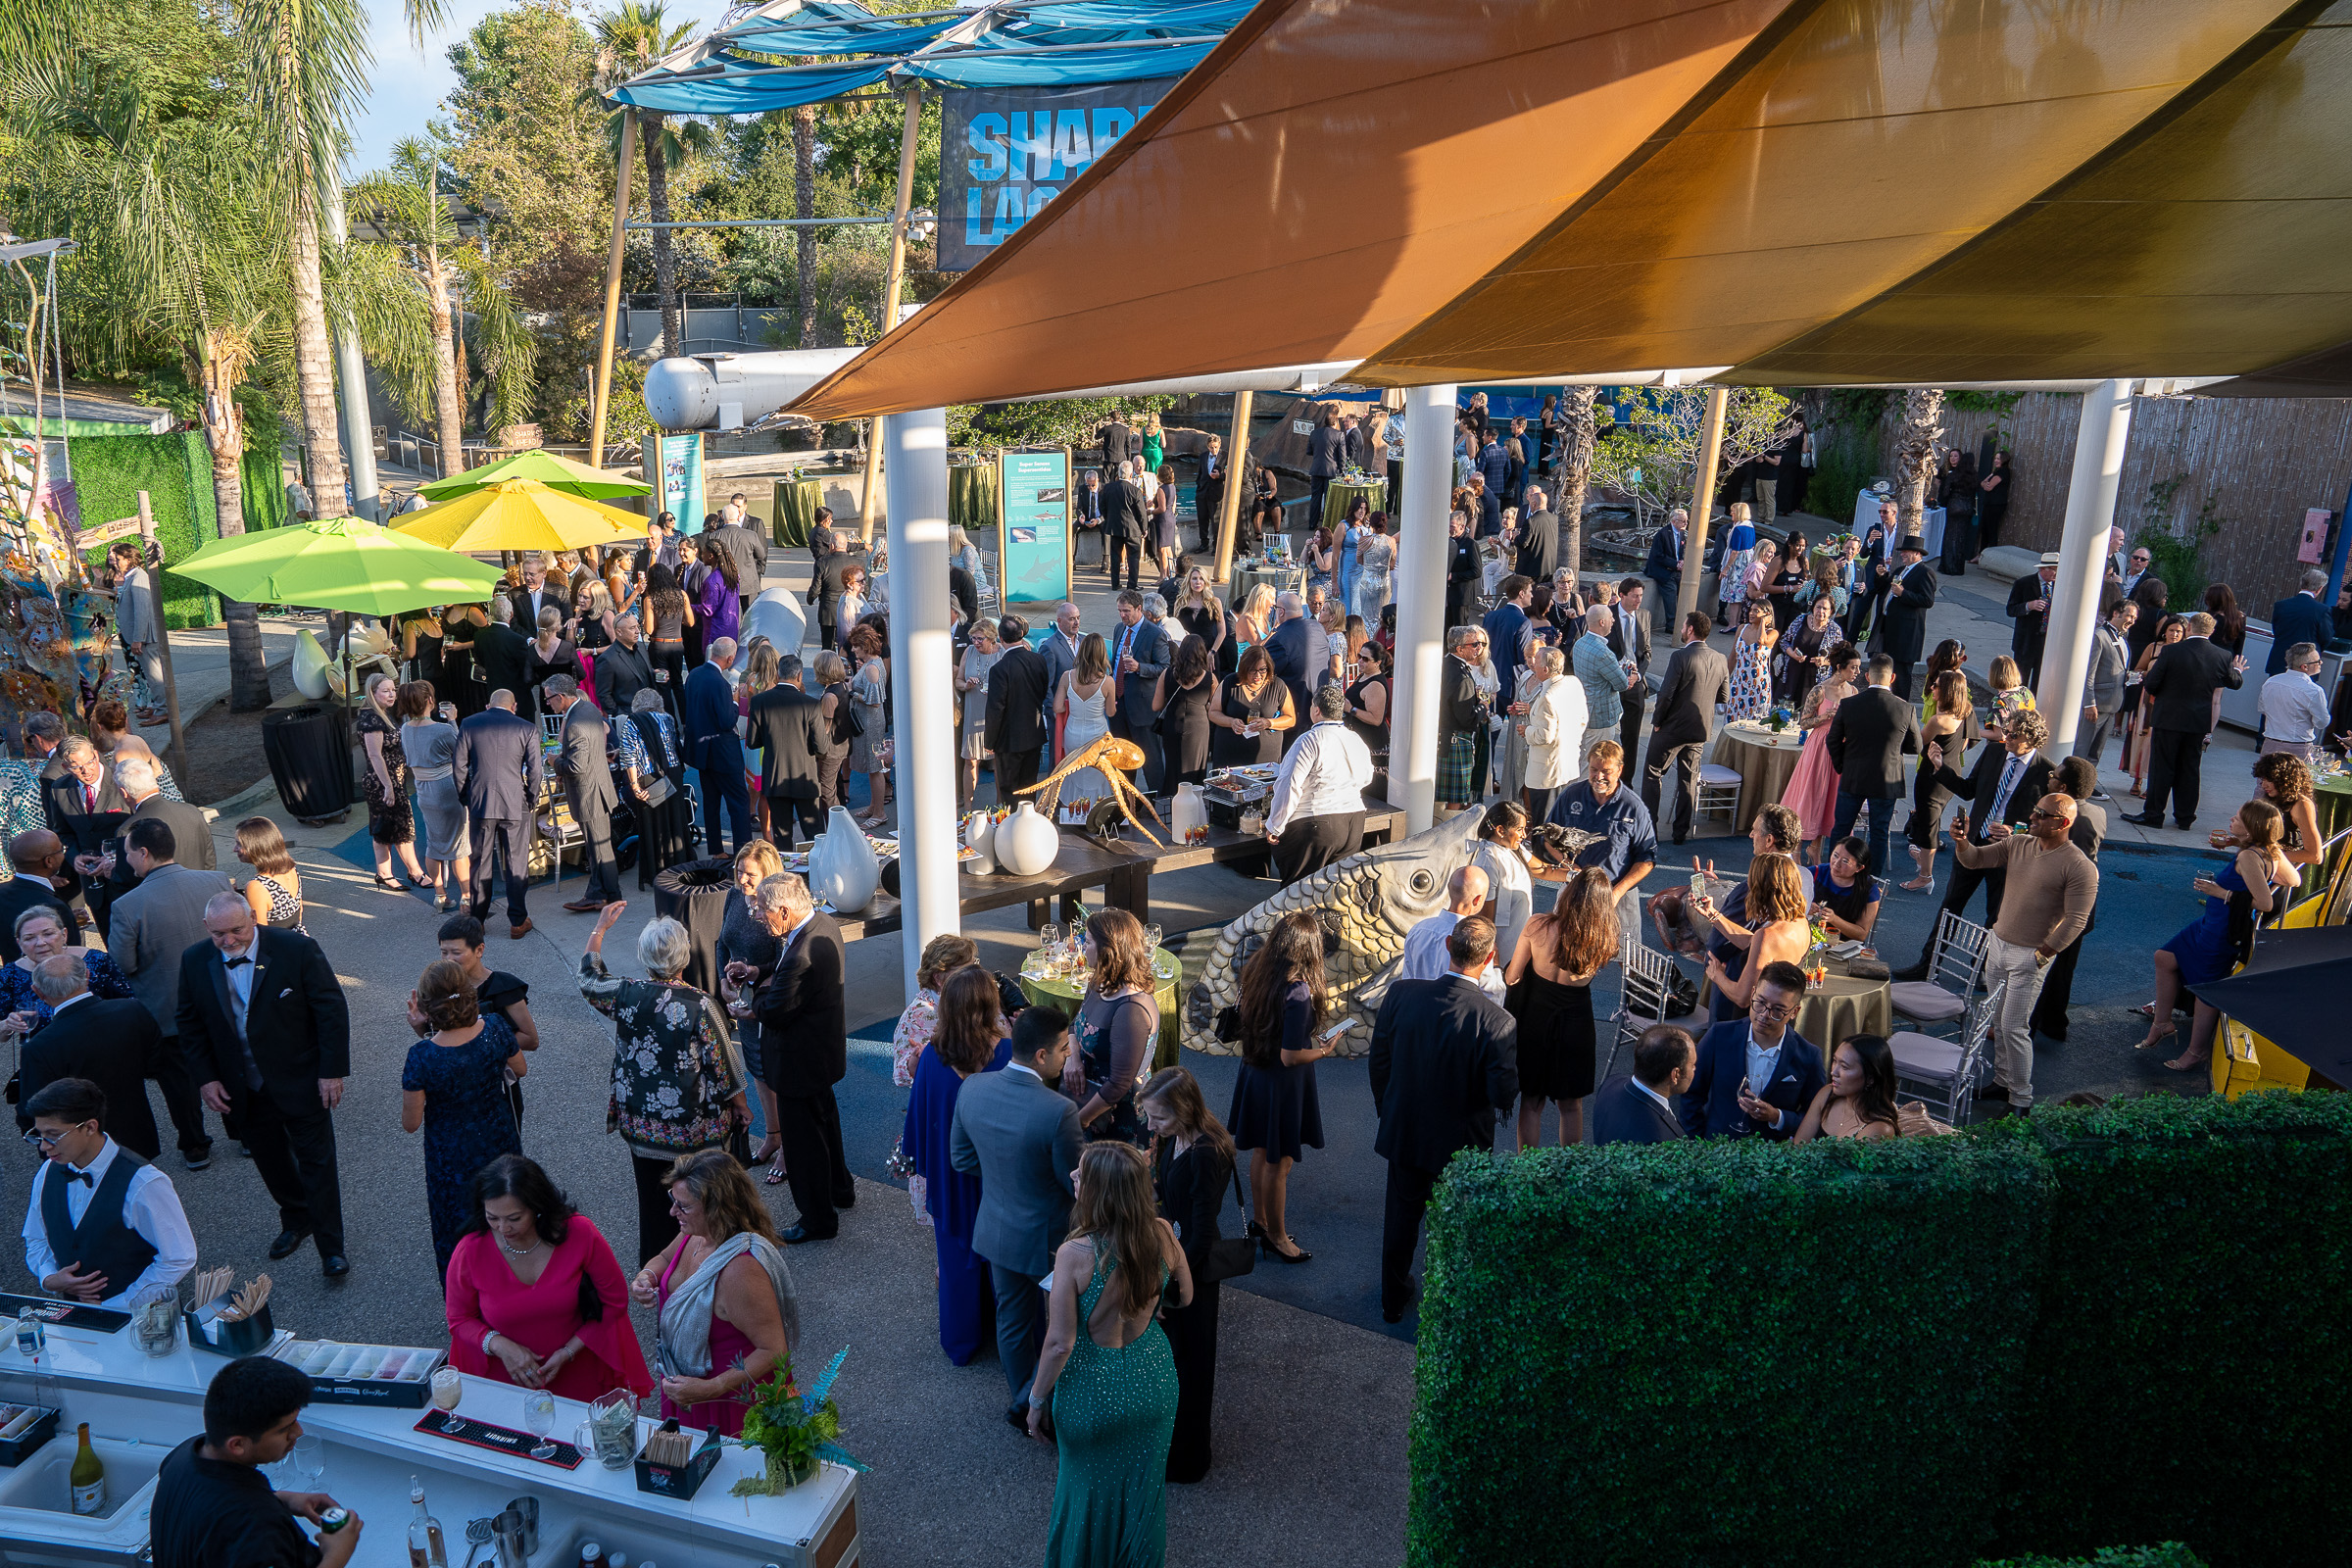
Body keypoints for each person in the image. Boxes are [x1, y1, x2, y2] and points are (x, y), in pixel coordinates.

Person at [1030, 1142, 1192, 1564]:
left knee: (1083, 1493)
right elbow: (1186, 1296)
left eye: (1082, 1174)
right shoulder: (1160, 1232)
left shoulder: (1075, 1254)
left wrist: (1034, 1401)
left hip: (1091, 1391)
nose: (1073, 1177)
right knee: (1144, 1494)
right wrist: (1153, 1307)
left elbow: (1060, 1343)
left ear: (1101, 1191)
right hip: (1152, 1381)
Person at [178, 894, 351, 1278]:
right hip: (242, 1086)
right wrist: (206, 1079)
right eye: (219, 933)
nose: (229, 941)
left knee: (317, 1164)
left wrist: (332, 1070)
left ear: (253, 919)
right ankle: (296, 1218)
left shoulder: (296, 948)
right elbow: (189, 1025)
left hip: (301, 1078)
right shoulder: (193, 960)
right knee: (270, 1160)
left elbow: (330, 1009)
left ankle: (331, 1248)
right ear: (207, 928)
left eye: (237, 930)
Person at [580, 904, 748, 1265]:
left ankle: (655, 1272)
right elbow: (724, 1065)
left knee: (654, 1204)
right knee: (703, 1203)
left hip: (641, 1125)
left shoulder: (625, 993)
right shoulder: (700, 1005)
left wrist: (600, 928)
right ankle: (708, 1268)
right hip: (693, 1130)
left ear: (644, 957)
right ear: (684, 957)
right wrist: (741, 1105)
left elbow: (588, 979)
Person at [1370, 916, 1517, 1323]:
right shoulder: (1497, 1020)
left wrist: (1390, 1109)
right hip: (1462, 1142)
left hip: (1406, 1130)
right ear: (1489, 958)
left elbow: (1379, 1062)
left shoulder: (1401, 994)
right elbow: (1503, 1094)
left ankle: (1392, 1301)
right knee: (1455, 1225)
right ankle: (1449, 1302)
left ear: (1449, 944)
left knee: (1400, 1220)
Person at [952, 1004, 1084, 1431]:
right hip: (1049, 1238)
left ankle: (1021, 1398)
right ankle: (1041, 1401)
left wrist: (1002, 1173)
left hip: (995, 1230)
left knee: (1011, 1320)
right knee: (1064, 1327)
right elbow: (1074, 1184)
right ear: (1042, 1055)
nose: (1069, 1056)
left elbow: (960, 1158)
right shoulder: (1058, 1110)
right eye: (1064, 1049)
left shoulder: (972, 1088)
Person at [629, 1149, 800, 1437]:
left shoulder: (740, 1270)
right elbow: (663, 1259)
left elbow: (774, 1350)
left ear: (715, 1207)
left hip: (729, 1400)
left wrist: (711, 1388)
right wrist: (645, 1277)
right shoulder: (696, 1232)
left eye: (683, 1205)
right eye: (674, 1200)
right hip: (689, 1388)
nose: (673, 1212)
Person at [1947, 794, 2097, 1112]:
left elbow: (2076, 920)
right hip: (1998, 945)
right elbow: (1974, 859)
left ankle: (2021, 1100)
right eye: (2035, 809)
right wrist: (1961, 841)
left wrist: (2040, 956)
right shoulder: (2018, 844)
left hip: (2029, 956)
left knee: (2014, 1028)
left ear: (2062, 823)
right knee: (1999, 1022)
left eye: (2041, 814)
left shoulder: (2079, 867)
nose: (2033, 816)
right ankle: (2003, 1083)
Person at [96, 818, 231, 1161]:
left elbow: (122, 964)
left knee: (178, 1084)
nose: (125, 860)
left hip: (166, 1011)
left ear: (143, 853)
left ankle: (196, 1145)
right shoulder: (215, 881)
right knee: (228, 1065)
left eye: (127, 853)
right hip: (221, 999)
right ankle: (243, 1131)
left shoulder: (127, 906)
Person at [152, 1354, 363, 1568]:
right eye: (284, 1429)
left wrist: (280, 1499)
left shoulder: (183, 1455)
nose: (298, 1432)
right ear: (237, 1445)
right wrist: (337, 1554)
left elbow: (207, 1510)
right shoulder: (257, 1529)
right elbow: (240, 1521)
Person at [901, 966, 1013, 1365]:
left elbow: (919, 1117)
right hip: (998, 1177)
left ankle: (961, 1343)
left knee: (955, 1260)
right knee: (1002, 1260)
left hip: (951, 1176)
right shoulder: (1006, 1054)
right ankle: (1007, 1340)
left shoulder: (932, 1056)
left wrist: (921, 1163)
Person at [1891, 710, 2056, 981]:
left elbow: (2044, 822)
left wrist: (2016, 831)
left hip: (2009, 853)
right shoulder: (1994, 753)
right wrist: (1939, 767)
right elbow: (1969, 790)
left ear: (2031, 738)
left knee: (1998, 914)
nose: (2007, 738)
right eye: (2006, 731)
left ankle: (1984, 970)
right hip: (1974, 844)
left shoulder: (2044, 772)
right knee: (1951, 904)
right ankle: (1928, 963)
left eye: (2014, 735)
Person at [2136, 799, 2296, 1074]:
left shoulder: (2249, 857)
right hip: (2209, 923)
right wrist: (2242, 848)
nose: (2231, 820)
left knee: (2205, 990)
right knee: (2164, 957)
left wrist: (2221, 892)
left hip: (2221, 931)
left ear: (2252, 827)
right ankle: (2162, 1024)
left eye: (2237, 818)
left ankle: (2196, 1052)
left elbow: (2265, 904)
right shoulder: (2267, 851)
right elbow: (2293, 880)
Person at [742, 872, 854, 1245]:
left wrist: (748, 1002)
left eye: (762, 909)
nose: (758, 915)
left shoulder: (802, 952)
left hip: (796, 1065)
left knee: (803, 1144)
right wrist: (762, 972)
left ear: (785, 911)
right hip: (821, 1056)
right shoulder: (822, 924)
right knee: (826, 1124)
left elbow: (774, 1012)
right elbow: (789, 967)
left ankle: (817, 1219)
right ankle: (840, 1190)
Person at [1136, 1066, 1232, 1484]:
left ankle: (1188, 1458)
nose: (1152, 1126)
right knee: (1172, 1362)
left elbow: (1202, 1232)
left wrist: (1169, 1278)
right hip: (1174, 1259)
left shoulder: (1208, 1152)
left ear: (1186, 1108)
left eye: (1159, 1118)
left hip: (1191, 1271)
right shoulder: (1176, 1138)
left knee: (1190, 1366)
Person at [399, 959, 524, 1278]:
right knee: (507, 1217)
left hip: (450, 1158)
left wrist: (423, 1032)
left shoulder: (421, 1057)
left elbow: (411, 1123)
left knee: (459, 1230)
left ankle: (467, 1302)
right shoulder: (495, 1028)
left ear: (427, 1008)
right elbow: (520, 1069)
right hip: (499, 1142)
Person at [1227, 910, 1339, 1263]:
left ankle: (1261, 1221)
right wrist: (1322, 1050)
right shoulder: (1299, 991)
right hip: (1281, 1082)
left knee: (1262, 1151)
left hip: (1256, 1073)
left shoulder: (1258, 967)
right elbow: (1291, 1057)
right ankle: (1277, 1237)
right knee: (1280, 1162)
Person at [1502, 866, 1616, 1149]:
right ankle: (1570, 1169)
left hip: (1535, 1020)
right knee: (1571, 1104)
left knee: (1531, 1101)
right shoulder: (1603, 939)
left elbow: (1512, 976)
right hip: (1575, 1022)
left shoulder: (1537, 925)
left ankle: (1529, 1171)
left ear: (1569, 894)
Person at [12, 955, 160, 1159]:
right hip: (136, 1136)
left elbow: (33, 1107)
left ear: (39, 993)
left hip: (77, 1150)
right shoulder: (131, 1010)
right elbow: (156, 1064)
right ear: (87, 976)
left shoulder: (39, 1047)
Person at [2128, 612, 2246, 831]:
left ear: (2189, 627)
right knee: (2190, 770)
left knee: (2162, 768)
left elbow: (2152, 685)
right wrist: (2238, 670)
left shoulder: (2171, 651)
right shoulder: (2222, 655)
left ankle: (2154, 814)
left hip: (2168, 719)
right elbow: (2234, 683)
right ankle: (2185, 817)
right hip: (2197, 722)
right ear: (2211, 632)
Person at [1676, 960, 1821, 1140]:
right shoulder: (1719, 1036)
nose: (1764, 1015)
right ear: (1753, 993)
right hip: (1713, 1149)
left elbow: (1816, 1118)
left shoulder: (1809, 1056)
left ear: (1795, 1012)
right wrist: (1697, 1141)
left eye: (1778, 1010)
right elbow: (1691, 1093)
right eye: (1760, 1002)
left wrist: (1778, 1117)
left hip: (1770, 1157)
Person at [1064, 909, 1160, 1149]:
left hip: (1119, 1118)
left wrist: (1079, 1121)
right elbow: (1075, 1025)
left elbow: (1119, 1084)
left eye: (1086, 942)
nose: (1081, 948)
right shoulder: (1099, 982)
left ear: (1108, 951)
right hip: (1092, 1104)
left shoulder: (1131, 1011)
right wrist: (1072, 1057)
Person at [2028, 757, 2107, 1040]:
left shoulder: (2072, 821)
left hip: (2063, 909)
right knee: (2063, 970)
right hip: (2083, 908)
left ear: (2061, 786)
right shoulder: (2097, 813)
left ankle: (2028, 1027)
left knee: (2040, 968)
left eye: (2053, 775)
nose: (2048, 778)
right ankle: (2053, 1023)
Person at [1263, 685, 1375, 883]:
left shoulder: (1309, 740)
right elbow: (1366, 777)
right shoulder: (1355, 738)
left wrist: (1275, 825)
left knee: (1299, 891)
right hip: (1353, 821)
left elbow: (1289, 786)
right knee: (1335, 889)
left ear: (1316, 710)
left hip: (1317, 823)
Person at [455, 690, 542, 939]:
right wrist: (531, 799)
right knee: (516, 863)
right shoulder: (526, 728)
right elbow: (535, 771)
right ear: (514, 706)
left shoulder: (469, 723)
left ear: (487, 705)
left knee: (480, 862)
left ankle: (478, 920)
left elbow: (459, 766)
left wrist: (467, 797)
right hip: (515, 802)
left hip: (481, 802)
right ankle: (517, 921)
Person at [1826, 654, 1922, 877]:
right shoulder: (1905, 709)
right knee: (1879, 832)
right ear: (1893, 677)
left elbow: (1832, 740)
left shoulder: (1849, 704)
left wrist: (1842, 766)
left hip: (1853, 776)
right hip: (1886, 780)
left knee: (1841, 828)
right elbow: (1916, 747)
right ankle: (1873, 881)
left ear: (1868, 677)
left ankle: (1834, 875)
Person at [1543, 742, 1657, 927]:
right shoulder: (1571, 795)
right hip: (1574, 890)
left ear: (1620, 770)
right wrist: (1570, 867)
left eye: (1606, 771)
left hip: (1618, 897)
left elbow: (1647, 860)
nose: (1599, 777)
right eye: (1594, 769)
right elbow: (1548, 840)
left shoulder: (1634, 807)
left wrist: (1617, 893)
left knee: (1622, 955)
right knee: (1563, 950)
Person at [1640, 611, 1729, 845]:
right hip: (1700, 731)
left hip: (1672, 729)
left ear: (1690, 630)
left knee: (1652, 774)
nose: (1681, 630)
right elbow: (1723, 696)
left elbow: (1666, 694)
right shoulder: (1720, 658)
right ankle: (1681, 832)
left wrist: (1657, 722)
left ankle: (1650, 829)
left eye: (1683, 627)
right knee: (1688, 780)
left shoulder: (1680, 657)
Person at [1693, 852, 1811, 1022]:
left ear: (1760, 890)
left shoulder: (1767, 936)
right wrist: (1712, 914)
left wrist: (1716, 974)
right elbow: (1755, 944)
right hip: (1777, 1021)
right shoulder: (1800, 921)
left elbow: (1742, 998)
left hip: (1751, 1024)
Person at [539, 676, 618, 912]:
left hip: (589, 794)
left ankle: (608, 897)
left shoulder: (575, 723)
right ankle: (600, 894)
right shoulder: (589, 707)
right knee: (599, 848)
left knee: (599, 849)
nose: (548, 704)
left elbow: (576, 766)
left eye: (549, 699)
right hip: (598, 789)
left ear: (561, 697)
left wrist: (555, 762)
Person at [1778, 642, 1862, 860]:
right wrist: (1824, 718)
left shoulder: (1853, 692)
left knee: (1830, 801)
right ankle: (1796, 849)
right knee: (1810, 796)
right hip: (1819, 747)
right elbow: (1803, 722)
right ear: (1839, 667)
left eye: (1858, 667)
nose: (1857, 672)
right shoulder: (1820, 690)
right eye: (1853, 667)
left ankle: (1816, 847)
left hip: (1841, 749)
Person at [744, 652, 828, 850]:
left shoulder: (759, 702)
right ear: (799, 676)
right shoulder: (811, 704)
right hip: (804, 779)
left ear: (778, 674)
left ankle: (786, 878)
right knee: (814, 836)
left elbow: (753, 742)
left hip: (774, 779)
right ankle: (814, 876)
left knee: (781, 838)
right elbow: (822, 748)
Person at [616, 689, 695, 882]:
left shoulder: (632, 721)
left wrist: (634, 785)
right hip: (672, 773)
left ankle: (658, 870)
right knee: (675, 819)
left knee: (653, 823)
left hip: (648, 777)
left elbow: (629, 756)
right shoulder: (667, 718)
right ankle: (679, 863)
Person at [1591, 1024, 1695, 1146]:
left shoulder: (1611, 1083)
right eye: (1692, 1065)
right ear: (1675, 1075)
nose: (1695, 1069)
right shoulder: (1659, 1141)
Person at [987, 614, 1054, 798]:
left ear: (1000, 639)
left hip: (1009, 741)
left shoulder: (999, 670)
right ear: (1022, 635)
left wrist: (989, 740)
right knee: (1029, 787)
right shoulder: (1038, 660)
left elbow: (996, 709)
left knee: (1010, 791)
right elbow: (1042, 691)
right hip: (1034, 734)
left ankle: (1012, 825)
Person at [1790, 1034, 1900, 1142]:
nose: (1834, 1072)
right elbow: (1798, 1146)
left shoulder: (1878, 1129)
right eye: (1834, 1061)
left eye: (1844, 1067)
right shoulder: (1826, 1094)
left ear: (1870, 1078)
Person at [2076, 597, 2137, 771]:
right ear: (2116, 613)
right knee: (2083, 748)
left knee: (2096, 751)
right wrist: (2090, 703)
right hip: (2096, 705)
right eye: (2129, 616)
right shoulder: (2099, 636)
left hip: (2113, 704)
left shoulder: (2123, 639)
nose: (2132, 621)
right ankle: (2075, 784)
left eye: (2134, 618)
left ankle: (2088, 783)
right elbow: (2089, 673)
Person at [1209, 644, 1293, 766]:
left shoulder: (1278, 685)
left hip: (1266, 760)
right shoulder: (1230, 682)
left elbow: (1290, 718)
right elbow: (1213, 712)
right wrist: (1231, 722)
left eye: (1263, 670)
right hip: (1230, 756)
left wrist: (1269, 723)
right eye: (1252, 670)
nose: (1258, 675)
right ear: (1244, 669)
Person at [1877, 535, 1937, 700]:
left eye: (1906, 551)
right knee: (1890, 669)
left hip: (1907, 634)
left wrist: (1903, 593)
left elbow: (1927, 600)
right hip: (1891, 630)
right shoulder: (1900, 570)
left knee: (1902, 673)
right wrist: (1881, 576)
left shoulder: (1925, 572)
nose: (1902, 554)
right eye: (1902, 551)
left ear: (1918, 554)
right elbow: (1884, 588)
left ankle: (1901, 705)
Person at [957, 617, 1005, 808]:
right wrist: (966, 685)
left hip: (994, 714)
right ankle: (969, 808)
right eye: (974, 638)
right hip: (973, 710)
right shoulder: (968, 652)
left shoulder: (1001, 652)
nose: (976, 642)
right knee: (970, 761)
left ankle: (1000, 805)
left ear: (991, 638)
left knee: (999, 764)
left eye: (980, 639)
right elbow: (958, 681)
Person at [2258, 641, 2329, 763]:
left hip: (2270, 744)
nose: (2320, 663)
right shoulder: (2313, 690)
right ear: (2305, 667)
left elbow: (2263, 709)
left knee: (2266, 781)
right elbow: (2322, 722)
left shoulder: (2271, 682)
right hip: (2297, 748)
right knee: (2295, 782)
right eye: (2317, 661)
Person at [1810, 836, 1882, 942]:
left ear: (1859, 868)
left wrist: (1834, 919)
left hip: (1843, 945)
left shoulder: (1869, 890)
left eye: (1845, 861)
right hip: (1809, 936)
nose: (1836, 863)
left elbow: (1861, 934)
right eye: (1835, 855)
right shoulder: (1814, 873)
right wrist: (1803, 906)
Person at [2266, 569, 2333, 677]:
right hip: (2307, 664)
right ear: (2320, 588)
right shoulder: (2322, 610)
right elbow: (2326, 638)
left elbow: (2277, 630)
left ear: (2301, 583)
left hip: (2279, 660)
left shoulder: (2281, 605)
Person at [594, 612, 657, 715]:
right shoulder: (607, 659)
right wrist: (620, 714)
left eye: (638, 626)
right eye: (632, 628)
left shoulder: (641, 647)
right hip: (629, 716)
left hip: (651, 710)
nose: (637, 631)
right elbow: (603, 695)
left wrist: (654, 674)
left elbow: (641, 674)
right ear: (619, 632)